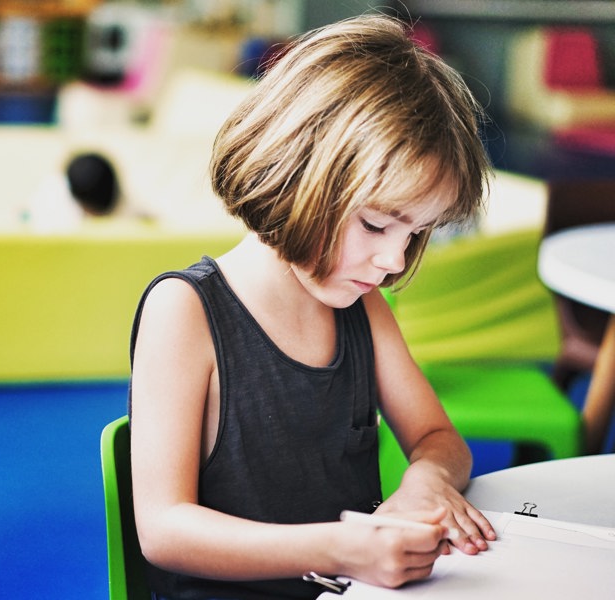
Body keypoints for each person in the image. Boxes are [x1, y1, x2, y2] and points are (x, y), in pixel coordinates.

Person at [128, 14, 497, 600]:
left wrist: (425, 482)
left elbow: (437, 437)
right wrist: (341, 548)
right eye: (377, 224)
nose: (394, 262)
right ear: (295, 174)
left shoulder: (362, 308)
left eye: (414, 235)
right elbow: (164, 530)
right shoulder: (185, 311)